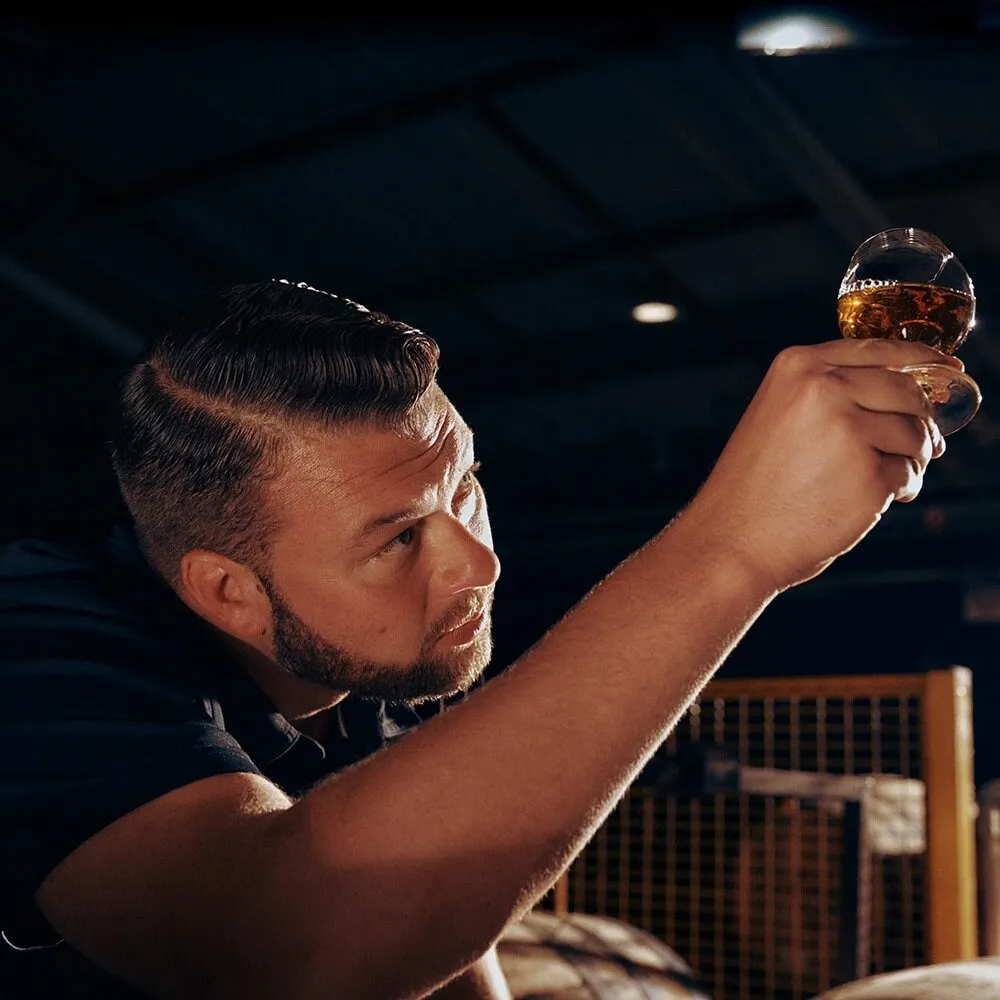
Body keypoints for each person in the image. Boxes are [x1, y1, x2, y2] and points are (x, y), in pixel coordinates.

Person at [0, 277, 955, 999]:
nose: (478, 564)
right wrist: (728, 555)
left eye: (465, 489)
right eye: (401, 537)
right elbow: (282, 947)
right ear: (230, 594)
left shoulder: (359, 677)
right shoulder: (40, 644)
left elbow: (444, 947)